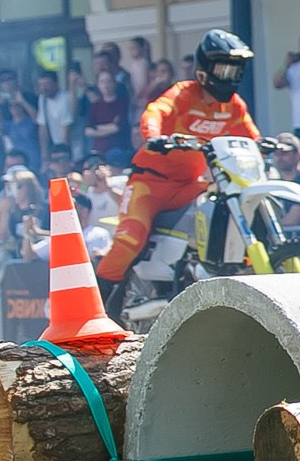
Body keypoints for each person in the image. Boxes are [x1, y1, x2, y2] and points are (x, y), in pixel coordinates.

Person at [97, 30, 262, 307]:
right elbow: (156, 111)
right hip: (149, 184)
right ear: (205, 70)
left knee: (223, 210)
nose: (230, 76)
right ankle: (96, 304)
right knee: (132, 239)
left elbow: (251, 136)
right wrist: (153, 136)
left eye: (235, 70)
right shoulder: (184, 94)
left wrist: (265, 145)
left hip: (190, 186)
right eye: (224, 69)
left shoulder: (234, 106)